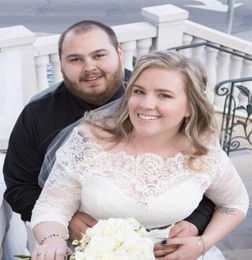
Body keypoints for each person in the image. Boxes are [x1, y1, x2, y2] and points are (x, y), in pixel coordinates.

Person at [3, 20, 214, 254]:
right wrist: (62, 223)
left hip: (166, 246)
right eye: (75, 59)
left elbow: (210, 175)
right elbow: (19, 185)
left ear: (119, 53)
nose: (89, 67)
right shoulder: (37, 114)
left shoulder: (159, 102)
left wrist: (196, 222)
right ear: (60, 64)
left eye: (99, 55)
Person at [30, 51, 248, 260]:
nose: (145, 104)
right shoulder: (90, 140)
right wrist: (53, 240)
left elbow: (234, 204)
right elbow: (52, 207)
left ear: (189, 107)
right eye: (139, 91)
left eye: (164, 95)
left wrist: (203, 243)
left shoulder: (203, 151)